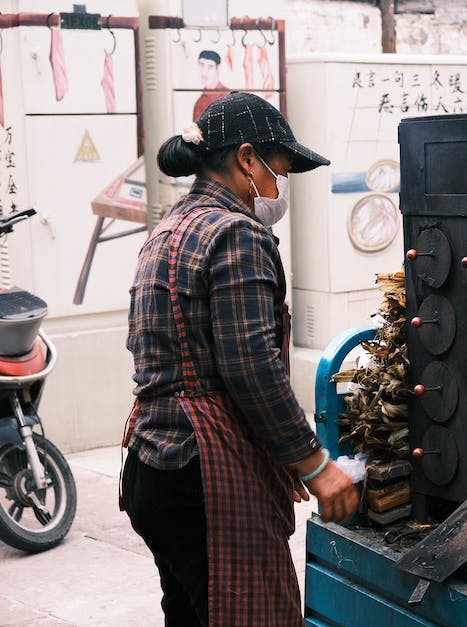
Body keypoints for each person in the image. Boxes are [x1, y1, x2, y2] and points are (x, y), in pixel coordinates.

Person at [121, 92, 359, 626]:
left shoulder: (169, 227)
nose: (281, 187)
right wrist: (315, 465)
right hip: (202, 470)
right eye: (280, 170)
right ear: (247, 159)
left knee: (189, 614)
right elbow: (251, 366)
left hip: (152, 462)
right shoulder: (237, 234)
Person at [192, 50, 229, 121]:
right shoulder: (199, 103)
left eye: (210, 67)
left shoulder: (228, 96)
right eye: (201, 65)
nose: (204, 72)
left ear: (217, 69)